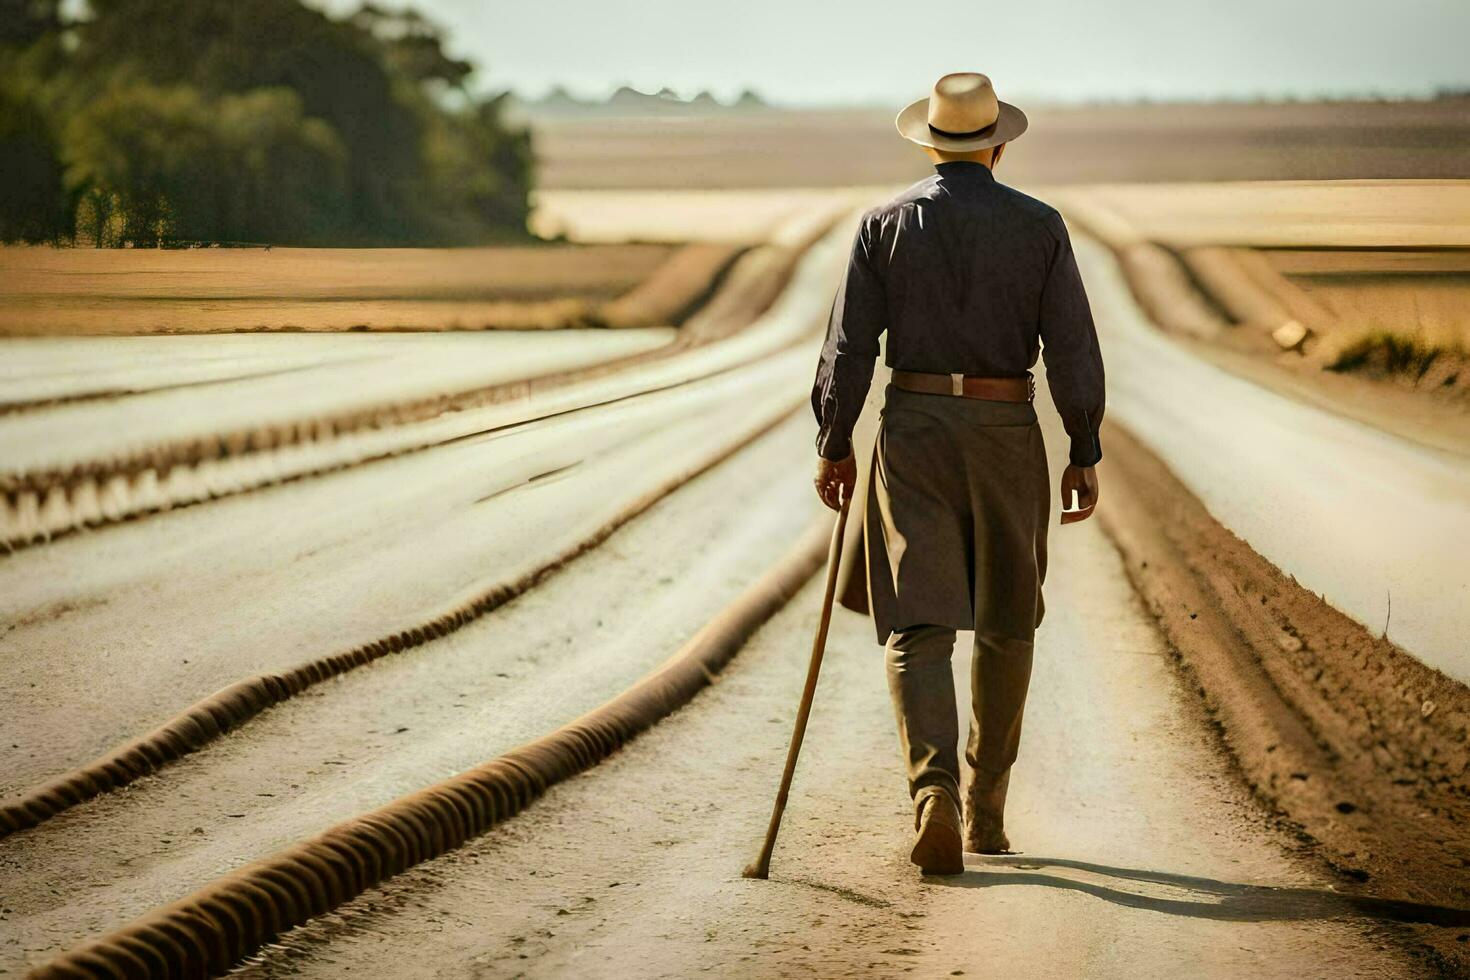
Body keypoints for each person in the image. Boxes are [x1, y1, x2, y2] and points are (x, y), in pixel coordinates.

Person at [810, 72, 1105, 876]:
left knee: (918, 621)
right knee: (1009, 622)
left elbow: (848, 348)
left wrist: (834, 439)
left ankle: (930, 792)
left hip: (913, 430)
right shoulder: (1040, 227)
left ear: (933, 143)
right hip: (1008, 431)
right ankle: (986, 812)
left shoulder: (883, 225)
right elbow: (1072, 346)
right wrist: (1084, 445)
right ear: (999, 145)